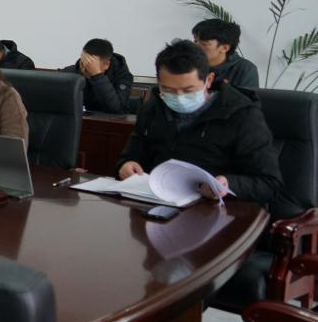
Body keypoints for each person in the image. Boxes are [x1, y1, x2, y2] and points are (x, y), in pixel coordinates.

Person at [118, 40, 289, 215]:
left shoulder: (242, 115)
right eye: (168, 90)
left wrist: (229, 184)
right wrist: (127, 166)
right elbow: (131, 158)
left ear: (209, 80)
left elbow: (270, 185)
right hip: (160, 208)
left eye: (188, 90)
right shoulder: (152, 109)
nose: (179, 97)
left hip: (221, 213)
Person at [61, 38, 134, 114]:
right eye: (83, 63)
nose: (84, 69)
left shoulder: (123, 76)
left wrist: (97, 76)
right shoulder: (71, 72)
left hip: (109, 120)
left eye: (91, 65)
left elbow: (118, 109)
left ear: (107, 64)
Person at [192, 19, 260, 89]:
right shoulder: (189, 62)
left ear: (225, 48)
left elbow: (246, 96)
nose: (195, 46)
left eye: (204, 44)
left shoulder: (245, 70)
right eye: (195, 41)